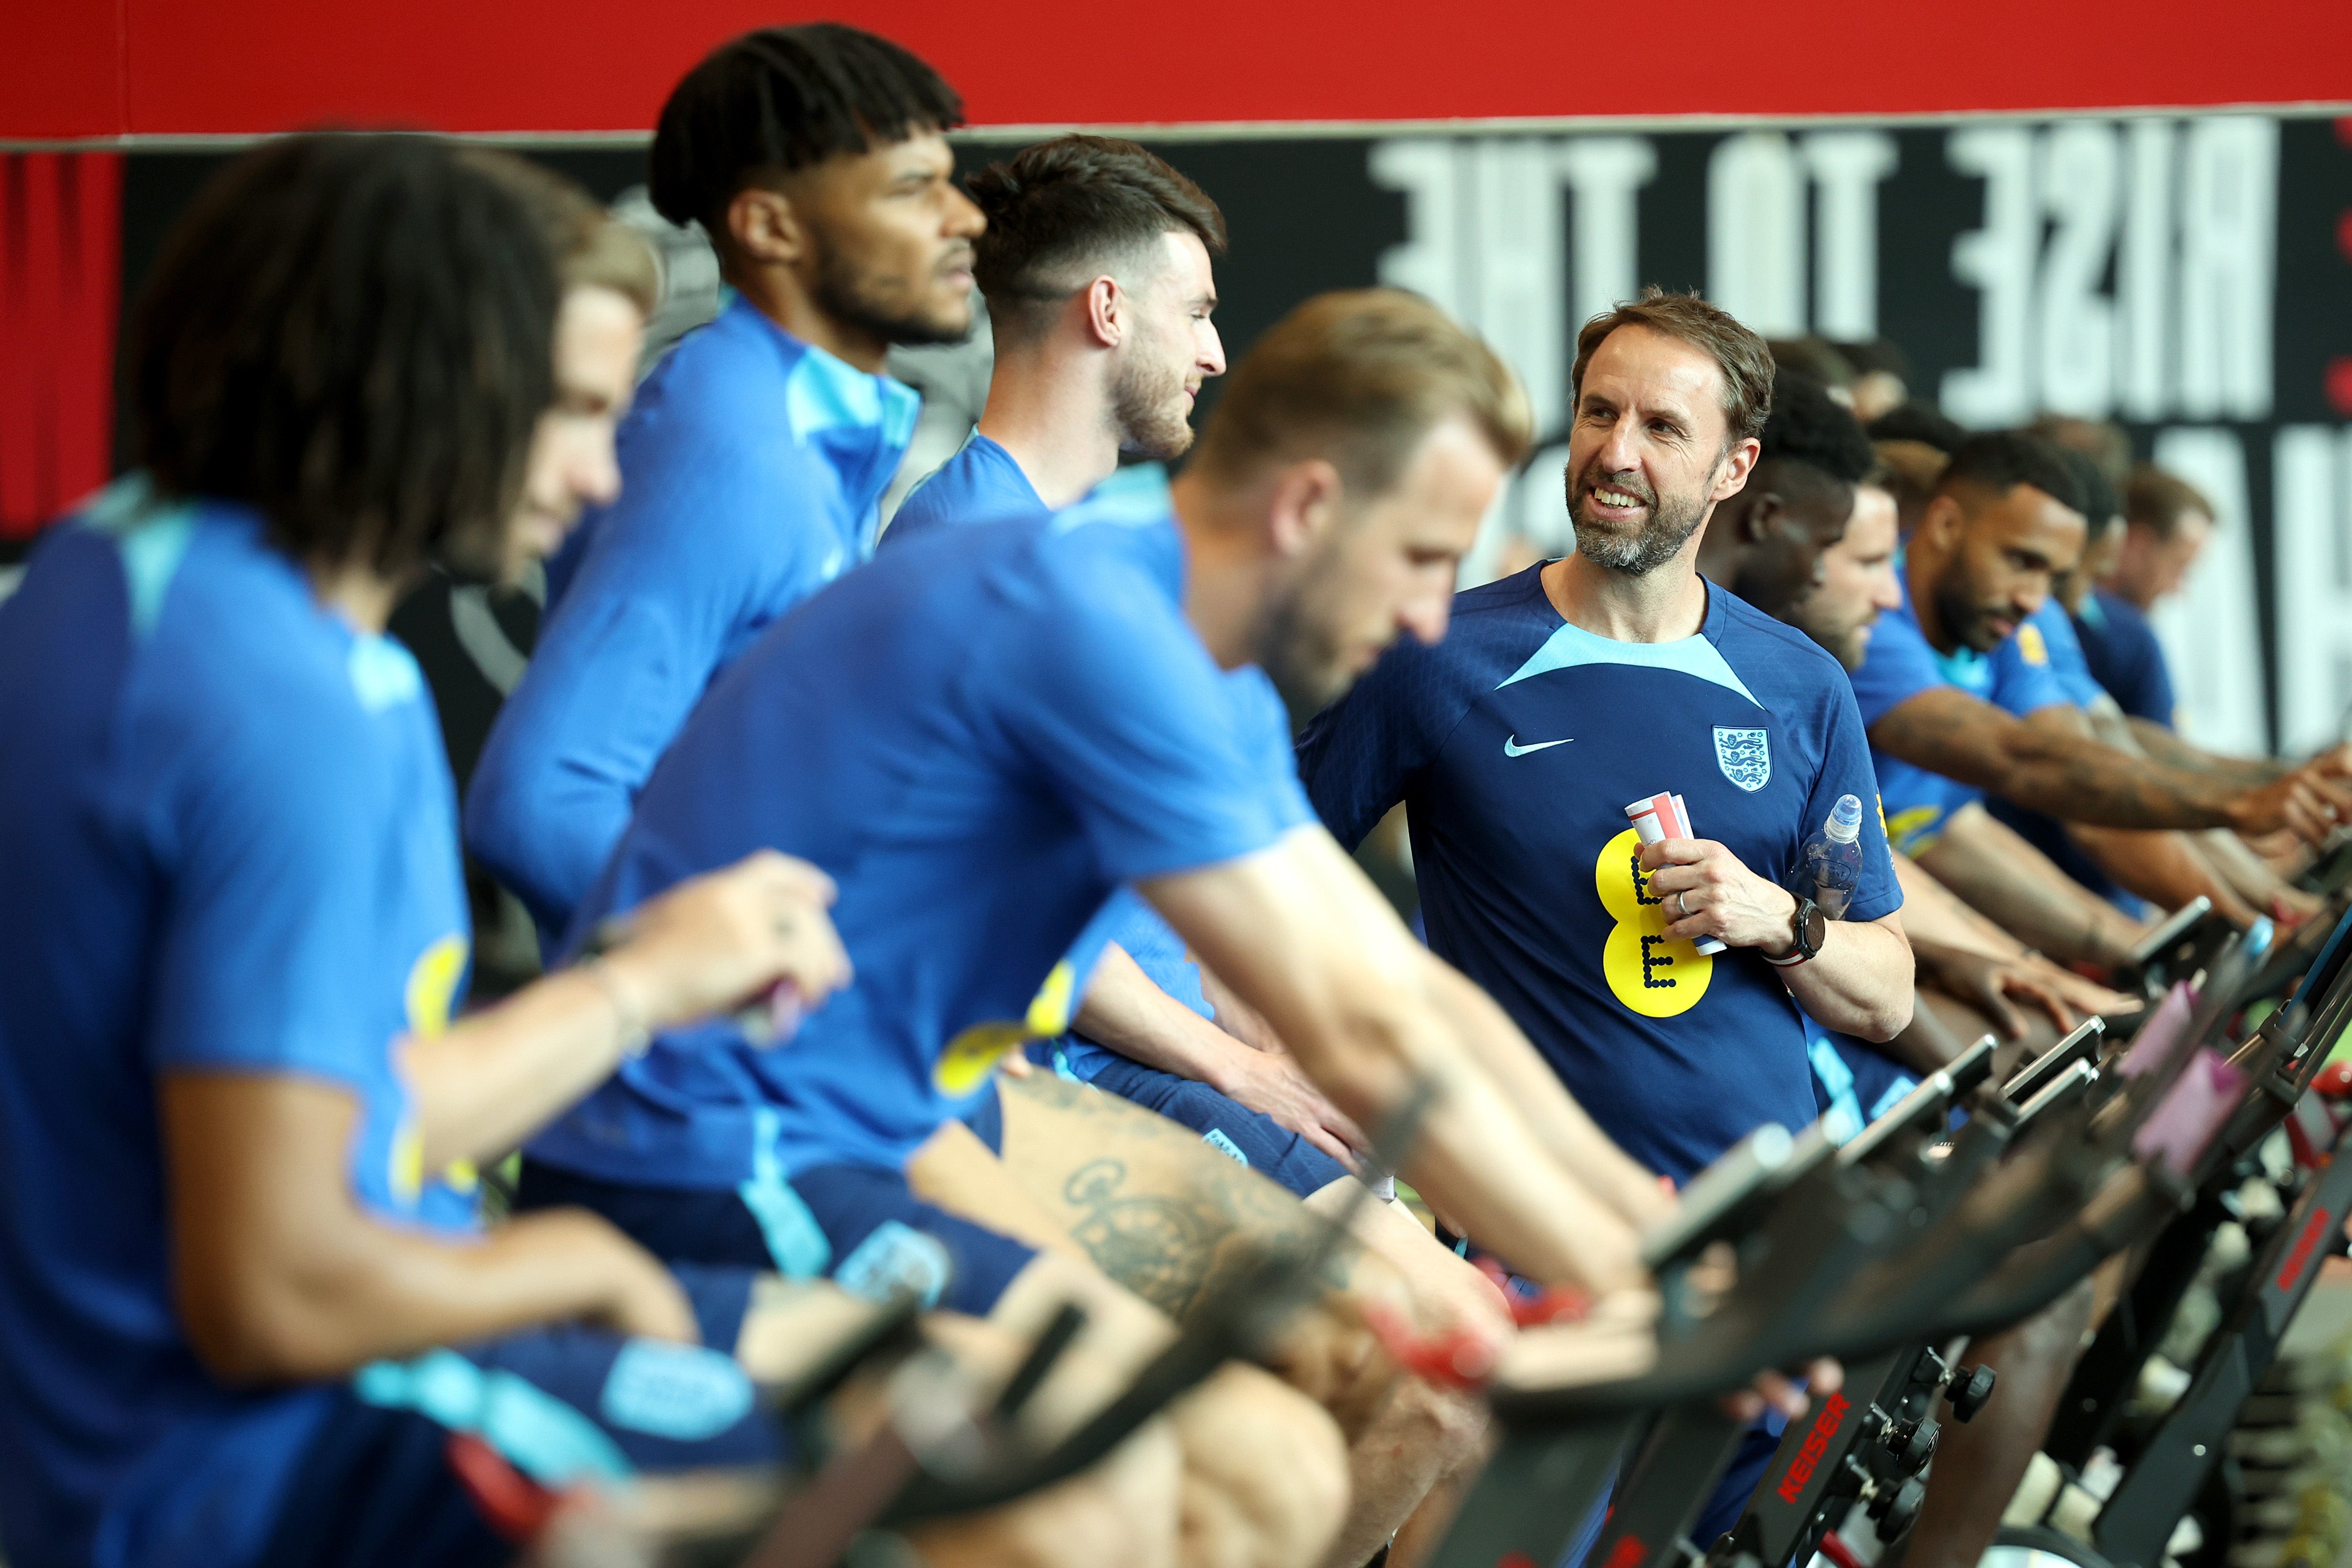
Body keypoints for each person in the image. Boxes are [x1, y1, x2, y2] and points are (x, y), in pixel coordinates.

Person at [0, 135, 1341, 1568]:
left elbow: (310, 1121)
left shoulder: (101, 573)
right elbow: (267, 1284)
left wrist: (649, 981)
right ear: (408, 371)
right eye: (570, 410)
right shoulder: (293, 701)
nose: (591, 480)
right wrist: (613, 1064)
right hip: (242, 1444)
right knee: (1063, 1490)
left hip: (167, 1375)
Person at [514, 290, 1756, 1568]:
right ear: (1307, 508)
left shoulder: (1185, 638)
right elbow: (1359, 1027)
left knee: (1316, 1450)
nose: (1433, 615)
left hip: (898, 1122)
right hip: (713, 1146)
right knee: (1197, 1482)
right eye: (1420, 557)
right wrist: (1635, 1282)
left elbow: (1398, 985)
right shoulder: (1091, 622)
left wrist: (1655, 1238)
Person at [1296, 289, 1913, 1540]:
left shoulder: (1796, 683)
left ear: (1734, 466)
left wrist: (1772, 918)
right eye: (1595, 412)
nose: (1614, 453)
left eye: (1658, 428)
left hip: (1755, 1248)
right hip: (1535, 1248)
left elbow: (1886, 985)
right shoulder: (1437, 654)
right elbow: (1260, 873)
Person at [884, 133, 1365, 1196]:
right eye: (1195, 311)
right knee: (1417, 1315)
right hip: (1082, 1075)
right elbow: (988, 892)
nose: (1215, 354)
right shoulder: (965, 546)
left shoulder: (1098, 543)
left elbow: (1169, 876)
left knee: (1424, 1244)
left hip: (1169, 1051)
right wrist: (1240, 1068)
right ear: (1106, 311)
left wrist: (1272, 1047)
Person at [466, 23, 986, 948]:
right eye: (914, 190)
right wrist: (794, 991)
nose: (965, 218)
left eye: (949, 180)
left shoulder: (802, 423)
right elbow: (541, 802)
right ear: (769, 226)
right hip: (711, 1086)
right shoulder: (735, 446)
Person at [1850, 433, 2352, 897]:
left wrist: (2267, 909)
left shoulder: (2006, 619)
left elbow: (2080, 747)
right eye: (2023, 560)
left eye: (2058, 578)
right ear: (1944, 525)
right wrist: (2245, 804)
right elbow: (2033, 765)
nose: (2038, 601)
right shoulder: (1872, 627)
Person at [2077, 463, 2210, 728]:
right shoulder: (2133, 637)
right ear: (2137, 545)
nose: (2178, 590)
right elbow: (2168, 757)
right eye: (2179, 567)